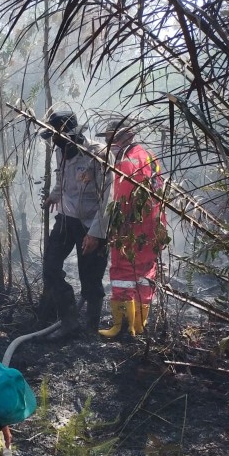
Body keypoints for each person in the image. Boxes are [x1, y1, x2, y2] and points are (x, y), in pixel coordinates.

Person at [38, 110, 112, 340]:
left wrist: (96, 234)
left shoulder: (98, 154)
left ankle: (91, 328)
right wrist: (54, 196)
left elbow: (109, 199)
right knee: (50, 268)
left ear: (73, 136)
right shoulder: (61, 150)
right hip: (65, 219)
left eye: (57, 137)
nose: (55, 143)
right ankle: (69, 320)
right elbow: (62, 179)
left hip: (92, 223)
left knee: (90, 277)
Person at [96, 115, 167, 339]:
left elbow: (124, 200)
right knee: (145, 272)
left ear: (128, 136)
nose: (110, 144)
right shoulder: (148, 155)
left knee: (123, 271)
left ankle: (121, 326)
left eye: (113, 138)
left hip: (132, 228)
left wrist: (118, 227)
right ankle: (139, 325)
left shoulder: (128, 161)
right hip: (153, 225)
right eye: (108, 139)